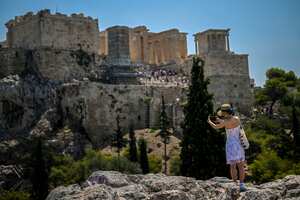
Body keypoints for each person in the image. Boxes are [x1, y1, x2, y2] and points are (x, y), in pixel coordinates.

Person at [207, 104, 247, 192]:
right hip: (239, 144)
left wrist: (209, 121)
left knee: (233, 166)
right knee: (241, 166)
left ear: (225, 112)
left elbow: (216, 127)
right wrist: (221, 120)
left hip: (230, 144)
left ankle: (234, 183)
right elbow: (230, 122)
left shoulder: (225, 122)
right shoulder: (236, 119)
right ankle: (242, 184)